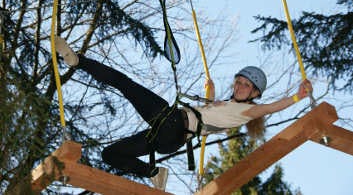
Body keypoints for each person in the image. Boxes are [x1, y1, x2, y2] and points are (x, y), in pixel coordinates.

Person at [55, 37, 313, 190]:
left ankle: (78, 61)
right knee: (110, 154)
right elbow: (206, 118)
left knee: (126, 85)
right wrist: (209, 95)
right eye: (239, 81)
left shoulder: (248, 110)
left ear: (255, 93)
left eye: (247, 85)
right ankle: (153, 174)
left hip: (174, 125)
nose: (240, 86)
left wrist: (296, 97)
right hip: (168, 135)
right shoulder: (224, 106)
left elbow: (271, 108)